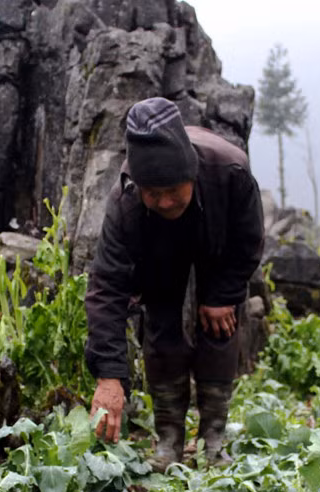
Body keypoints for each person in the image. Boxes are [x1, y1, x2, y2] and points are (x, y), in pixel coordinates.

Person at [85, 96, 264, 470]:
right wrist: (109, 376)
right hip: (157, 249)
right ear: (139, 186)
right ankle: (168, 438)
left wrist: (222, 296)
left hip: (215, 231)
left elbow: (248, 243)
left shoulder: (230, 171)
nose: (165, 202)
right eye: (154, 193)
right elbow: (107, 287)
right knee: (161, 322)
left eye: (173, 190)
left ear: (191, 174)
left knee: (219, 322)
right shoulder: (127, 203)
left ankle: (213, 437)